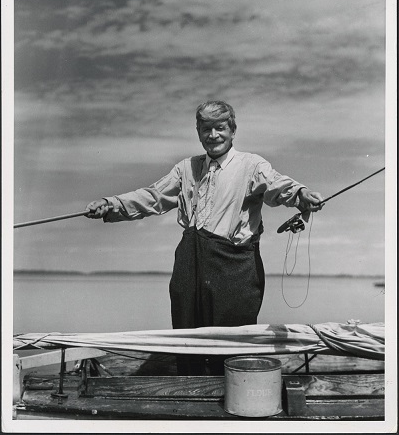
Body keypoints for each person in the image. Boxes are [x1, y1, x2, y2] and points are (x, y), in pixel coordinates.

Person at [85, 100, 323, 374]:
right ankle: (191, 393)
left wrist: (301, 194)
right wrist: (110, 203)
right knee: (187, 338)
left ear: (233, 130)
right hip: (189, 265)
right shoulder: (186, 168)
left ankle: (236, 397)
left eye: (220, 128)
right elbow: (153, 197)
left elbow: (278, 185)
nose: (213, 136)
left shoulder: (251, 165)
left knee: (234, 343)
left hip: (235, 270)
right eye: (205, 129)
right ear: (198, 131)